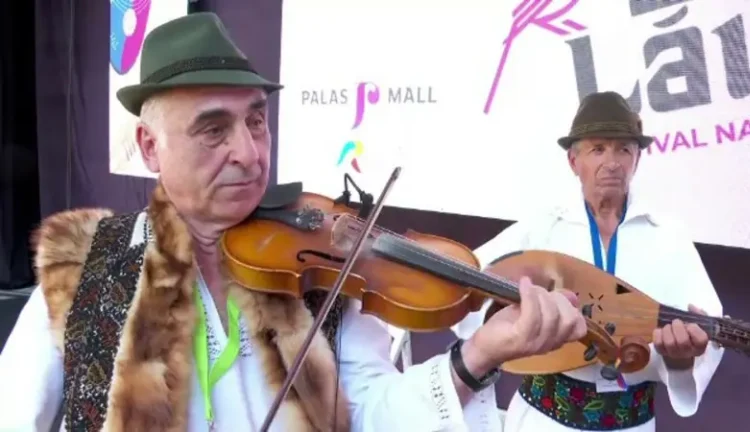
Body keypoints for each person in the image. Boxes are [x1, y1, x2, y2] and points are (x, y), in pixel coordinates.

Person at [0, 13, 588, 432]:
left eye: (256, 121)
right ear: (151, 148)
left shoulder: (322, 275)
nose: (249, 153)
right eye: (213, 130)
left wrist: (478, 356)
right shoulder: (82, 265)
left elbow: (375, 414)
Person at [453, 91, 724, 431]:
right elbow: (469, 291)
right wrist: (517, 331)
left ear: (637, 159)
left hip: (631, 424)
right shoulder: (542, 228)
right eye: (598, 149)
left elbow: (708, 330)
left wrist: (681, 360)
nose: (612, 162)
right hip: (543, 421)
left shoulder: (668, 237)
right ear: (573, 161)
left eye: (623, 149)